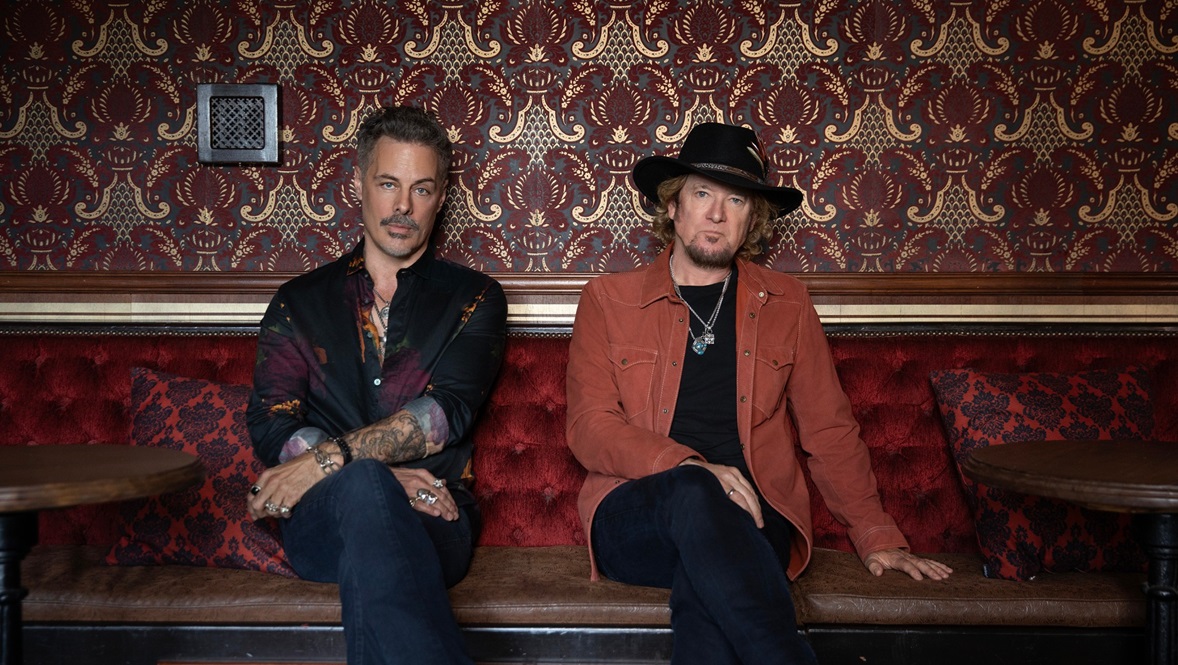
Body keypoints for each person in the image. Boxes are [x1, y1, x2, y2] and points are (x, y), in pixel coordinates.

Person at [565, 122, 953, 664]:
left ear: (752, 220)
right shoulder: (609, 299)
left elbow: (828, 429)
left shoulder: (787, 303)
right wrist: (691, 467)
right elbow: (589, 428)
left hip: (755, 515)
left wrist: (875, 533)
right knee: (694, 493)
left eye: (736, 200)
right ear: (674, 207)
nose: (716, 214)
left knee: (708, 584)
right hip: (637, 514)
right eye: (702, 194)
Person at [245, 105, 507, 665]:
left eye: (421, 189)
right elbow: (272, 423)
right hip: (322, 518)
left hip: (435, 514)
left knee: (373, 524)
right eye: (388, 184)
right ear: (359, 183)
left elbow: (444, 414)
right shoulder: (298, 303)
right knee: (366, 490)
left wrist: (330, 461)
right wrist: (376, 477)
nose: (403, 206)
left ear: (441, 198)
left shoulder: (476, 299)